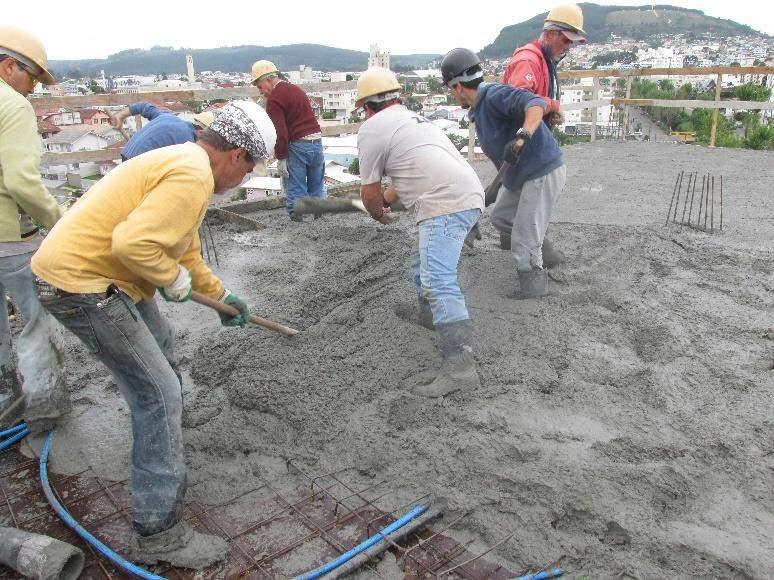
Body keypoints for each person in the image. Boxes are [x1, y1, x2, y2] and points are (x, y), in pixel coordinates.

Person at [31, 101, 277, 569]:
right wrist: (170, 279)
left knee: (160, 342)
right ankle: (159, 534)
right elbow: (135, 245)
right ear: (237, 155)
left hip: (106, 277)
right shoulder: (192, 174)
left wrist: (220, 294)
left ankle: (168, 437)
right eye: (250, 170)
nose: (244, 180)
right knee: (158, 393)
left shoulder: (188, 163)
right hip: (81, 284)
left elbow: (181, 250)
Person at [356, 67, 484, 397]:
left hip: (445, 201)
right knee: (422, 269)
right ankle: (431, 323)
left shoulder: (372, 129)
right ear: (396, 98)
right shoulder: (413, 120)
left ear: (367, 107)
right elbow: (405, 179)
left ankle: (460, 368)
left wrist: (377, 212)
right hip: (466, 192)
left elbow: (369, 193)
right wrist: (385, 201)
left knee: (437, 279)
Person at [442, 48, 566, 298]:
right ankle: (536, 242)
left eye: (450, 89)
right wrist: (480, 202)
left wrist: (523, 136)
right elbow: (503, 169)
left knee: (523, 236)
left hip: (541, 170)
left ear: (456, 86)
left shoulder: (494, 95)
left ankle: (533, 288)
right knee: (501, 217)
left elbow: (535, 104)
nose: (452, 95)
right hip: (520, 177)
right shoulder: (480, 113)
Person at [0, 26, 69, 430]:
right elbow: (22, 181)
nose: (32, 91)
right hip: (10, 238)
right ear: (10, 67)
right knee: (34, 321)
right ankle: (44, 409)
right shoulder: (12, 105)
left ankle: (6, 403)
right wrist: (60, 220)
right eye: (32, 79)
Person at [500, 3, 586, 263]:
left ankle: (526, 252)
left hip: (532, 151)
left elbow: (535, 106)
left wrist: (549, 113)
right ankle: (534, 253)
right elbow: (520, 104)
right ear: (549, 33)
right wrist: (549, 107)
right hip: (526, 150)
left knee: (523, 216)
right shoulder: (529, 61)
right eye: (565, 40)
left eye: (571, 42)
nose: (567, 46)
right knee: (512, 215)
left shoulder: (545, 60)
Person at [251, 60, 325, 220]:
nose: (260, 91)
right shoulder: (296, 89)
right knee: (316, 184)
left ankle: (297, 220)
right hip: (316, 142)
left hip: (298, 145)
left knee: (296, 185)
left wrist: (281, 157)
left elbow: (281, 133)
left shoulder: (275, 100)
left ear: (269, 79)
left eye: (259, 86)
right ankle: (319, 218)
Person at [109, 103, 215, 160]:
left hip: (126, 154)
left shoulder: (167, 116)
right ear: (200, 132)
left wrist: (119, 115)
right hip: (136, 165)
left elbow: (142, 106)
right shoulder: (188, 141)